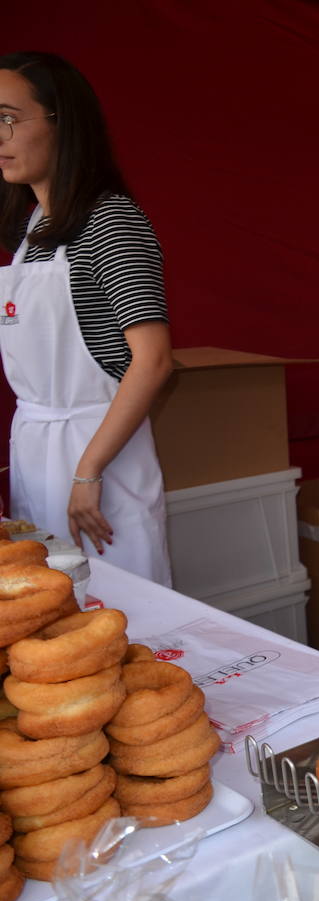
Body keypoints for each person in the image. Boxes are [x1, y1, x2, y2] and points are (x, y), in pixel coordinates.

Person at [0, 52, 173, 585]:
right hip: (38, 448)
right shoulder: (33, 230)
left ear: (62, 122)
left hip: (98, 457)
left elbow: (154, 359)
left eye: (8, 118)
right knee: (54, 608)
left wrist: (87, 470)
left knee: (125, 617)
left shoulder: (108, 218)